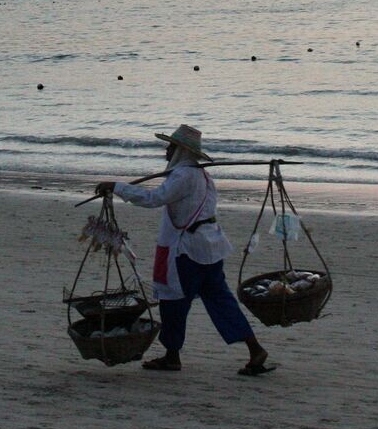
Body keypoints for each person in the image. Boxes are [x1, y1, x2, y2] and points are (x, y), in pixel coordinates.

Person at [94, 124, 271, 376]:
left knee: (173, 301)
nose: (166, 151)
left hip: (187, 251)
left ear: (180, 150)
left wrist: (117, 186)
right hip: (210, 248)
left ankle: (172, 355)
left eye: (170, 146)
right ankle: (255, 349)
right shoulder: (201, 176)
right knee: (221, 301)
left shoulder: (183, 176)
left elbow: (153, 199)